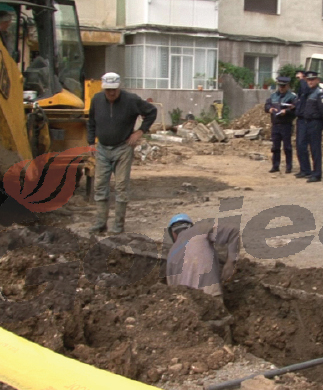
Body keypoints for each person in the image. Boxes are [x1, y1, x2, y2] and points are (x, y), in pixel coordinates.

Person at [87, 72, 157, 234]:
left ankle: (118, 225)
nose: (111, 93)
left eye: (114, 89)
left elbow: (151, 112)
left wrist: (139, 132)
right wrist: (91, 142)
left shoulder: (131, 100)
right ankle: (100, 223)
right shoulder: (97, 100)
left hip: (123, 148)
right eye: (108, 90)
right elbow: (91, 122)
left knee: (121, 186)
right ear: (104, 89)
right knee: (100, 185)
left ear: (119, 87)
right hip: (103, 148)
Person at [165, 214, 240, 297]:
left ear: (172, 233)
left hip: (187, 303)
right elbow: (233, 232)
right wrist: (231, 262)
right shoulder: (201, 229)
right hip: (211, 294)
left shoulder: (170, 254)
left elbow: (171, 290)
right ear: (190, 226)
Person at [301, 71, 323, 183]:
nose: (310, 81)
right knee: (310, 148)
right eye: (308, 79)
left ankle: (317, 174)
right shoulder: (309, 92)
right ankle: (313, 172)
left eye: (313, 79)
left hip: (315, 122)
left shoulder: (320, 92)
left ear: (317, 80)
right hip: (308, 122)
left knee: (315, 149)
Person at [264, 76, 297, 173]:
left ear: (288, 86)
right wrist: (269, 109)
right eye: (280, 86)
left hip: (286, 124)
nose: (281, 88)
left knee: (287, 147)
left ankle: (288, 166)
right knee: (275, 147)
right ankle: (275, 165)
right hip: (275, 124)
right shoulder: (274, 95)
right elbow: (267, 105)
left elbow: (295, 110)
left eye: (284, 86)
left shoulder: (292, 96)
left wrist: (286, 111)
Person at [294, 69, 312, 179]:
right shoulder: (301, 88)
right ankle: (303, 169)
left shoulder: (307, 88)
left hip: (305, 120)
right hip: (300, 119)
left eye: (299, 78)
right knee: (299, 146)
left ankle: (307, 170)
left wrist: (302, 79)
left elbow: (305, 91)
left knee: (302, 145)